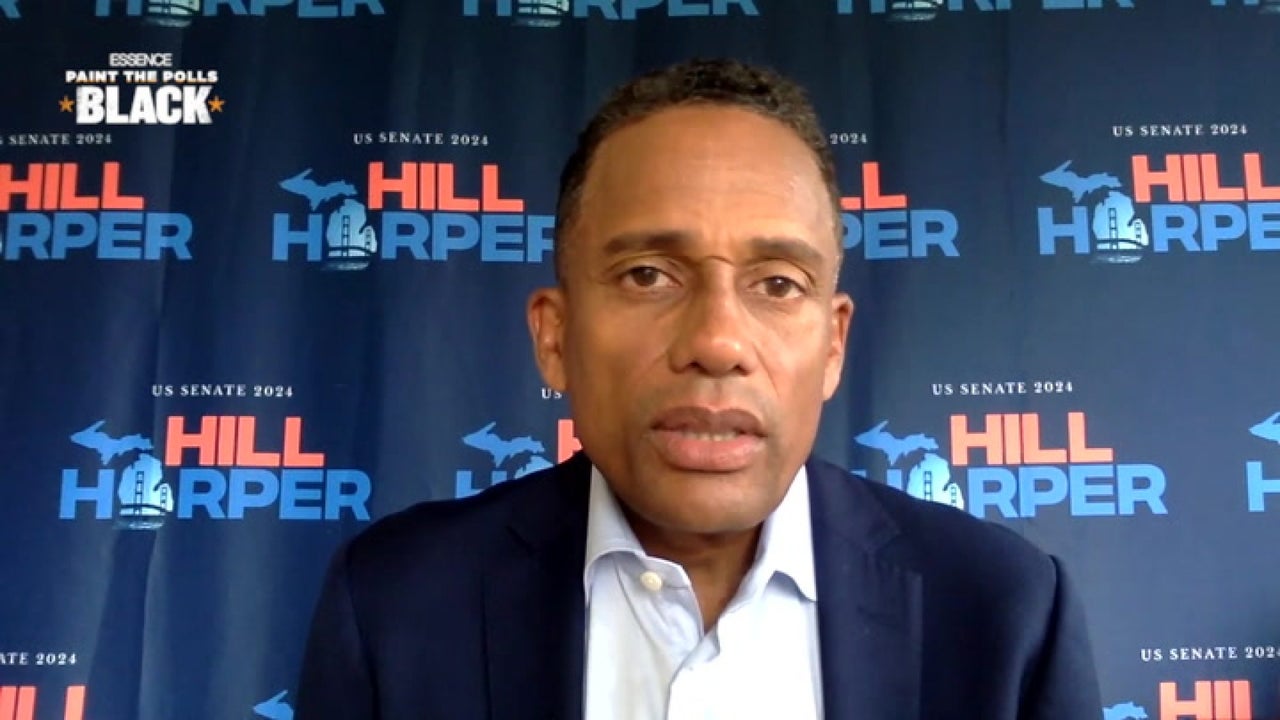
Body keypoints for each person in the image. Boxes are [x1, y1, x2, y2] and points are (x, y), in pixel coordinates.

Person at [295, 57, 1103, 719]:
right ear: (554, 337)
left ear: (833, 345)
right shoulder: (395, 603)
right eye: (648, 275)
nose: (717, 342)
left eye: (778, 283)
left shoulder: (1005, 612)